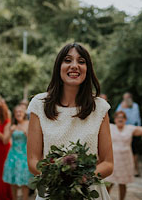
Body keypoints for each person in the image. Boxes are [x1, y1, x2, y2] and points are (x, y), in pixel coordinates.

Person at [25, 43, 115, 200]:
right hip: (52, 193)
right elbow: (33, 160)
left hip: (89, 193)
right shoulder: (39, 104)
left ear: (88, 69)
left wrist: (81, 180)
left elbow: (108, 163)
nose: (74, 66)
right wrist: (58, 180)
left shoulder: (99, 107)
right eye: (67, 60)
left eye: (81, 61)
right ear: (59, 66)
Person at [105, 110, 142, 200]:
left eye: (122, 117)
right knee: (109, 183)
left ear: (125, 119)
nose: (120, 119)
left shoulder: (130, 128)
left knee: (123, 183)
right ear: (115, 119)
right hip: (113, 159)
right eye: (118, 117)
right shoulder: (110, 127)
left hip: (125, 160)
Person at [3, 104, 32, 200]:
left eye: (20, 111)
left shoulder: (28, 123)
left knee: (24, 181)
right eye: (16, 112)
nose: (18, 113)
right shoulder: (10, 124)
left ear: (24, 113)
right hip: (13, 155)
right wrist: (10, 132)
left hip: (24, 155)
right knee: (13, 181)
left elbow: (32, 140)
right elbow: (5, 141)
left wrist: (25, 132)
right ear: (14, 114)